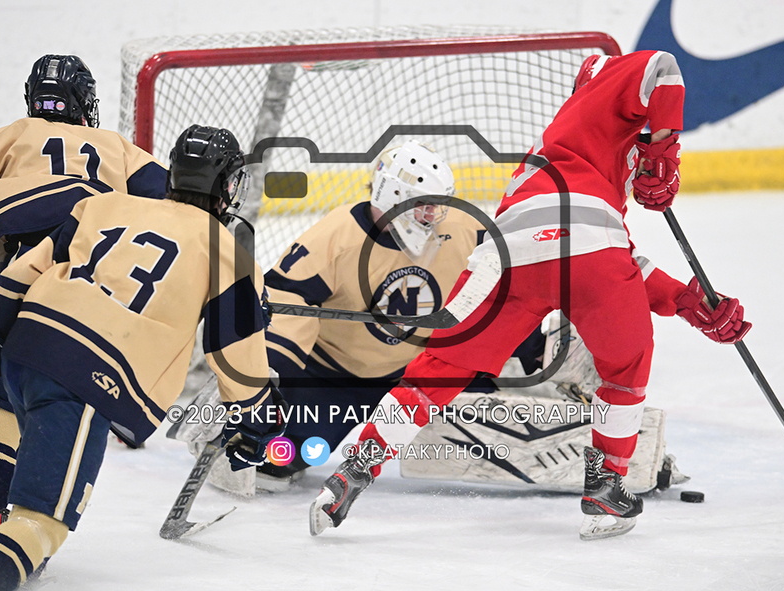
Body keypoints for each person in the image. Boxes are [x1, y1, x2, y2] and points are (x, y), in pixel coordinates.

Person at [309, 50, 752, 540]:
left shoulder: (561, 153)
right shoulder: (604, 85)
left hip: (508, 253)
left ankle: (353, 471)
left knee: (439, 371)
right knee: (625, 365)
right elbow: (661, 68)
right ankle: (606, 486)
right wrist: (664, 149)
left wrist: (688, 301)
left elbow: (599, 247)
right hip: (589, 249)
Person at [0, 124, 282, 590]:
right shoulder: (227, 249)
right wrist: (257, 422)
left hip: (25, 350)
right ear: (228, 187)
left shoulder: (102, 204)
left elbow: (19, 276)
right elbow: (234, 352)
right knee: (41, 524)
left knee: (12, 439)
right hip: (86, 376)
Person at [176, 139, 547, 495]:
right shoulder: (336, 237)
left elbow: (498, 294)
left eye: (438, 204)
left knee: (498, 437)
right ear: (391, 196)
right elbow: (287, 300)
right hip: (335, 378)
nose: (432, 215)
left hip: (424, 371)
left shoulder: (464, 230)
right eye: (422, 205)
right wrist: (261, 380)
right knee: (277, 457)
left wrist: (536, 351)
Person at [0, 54, 168, 528]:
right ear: (85, 102)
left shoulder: (10, 135)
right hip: (89, 306)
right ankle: (32, 523)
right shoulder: (116, 147)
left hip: (15, 287)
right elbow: (175, 206)